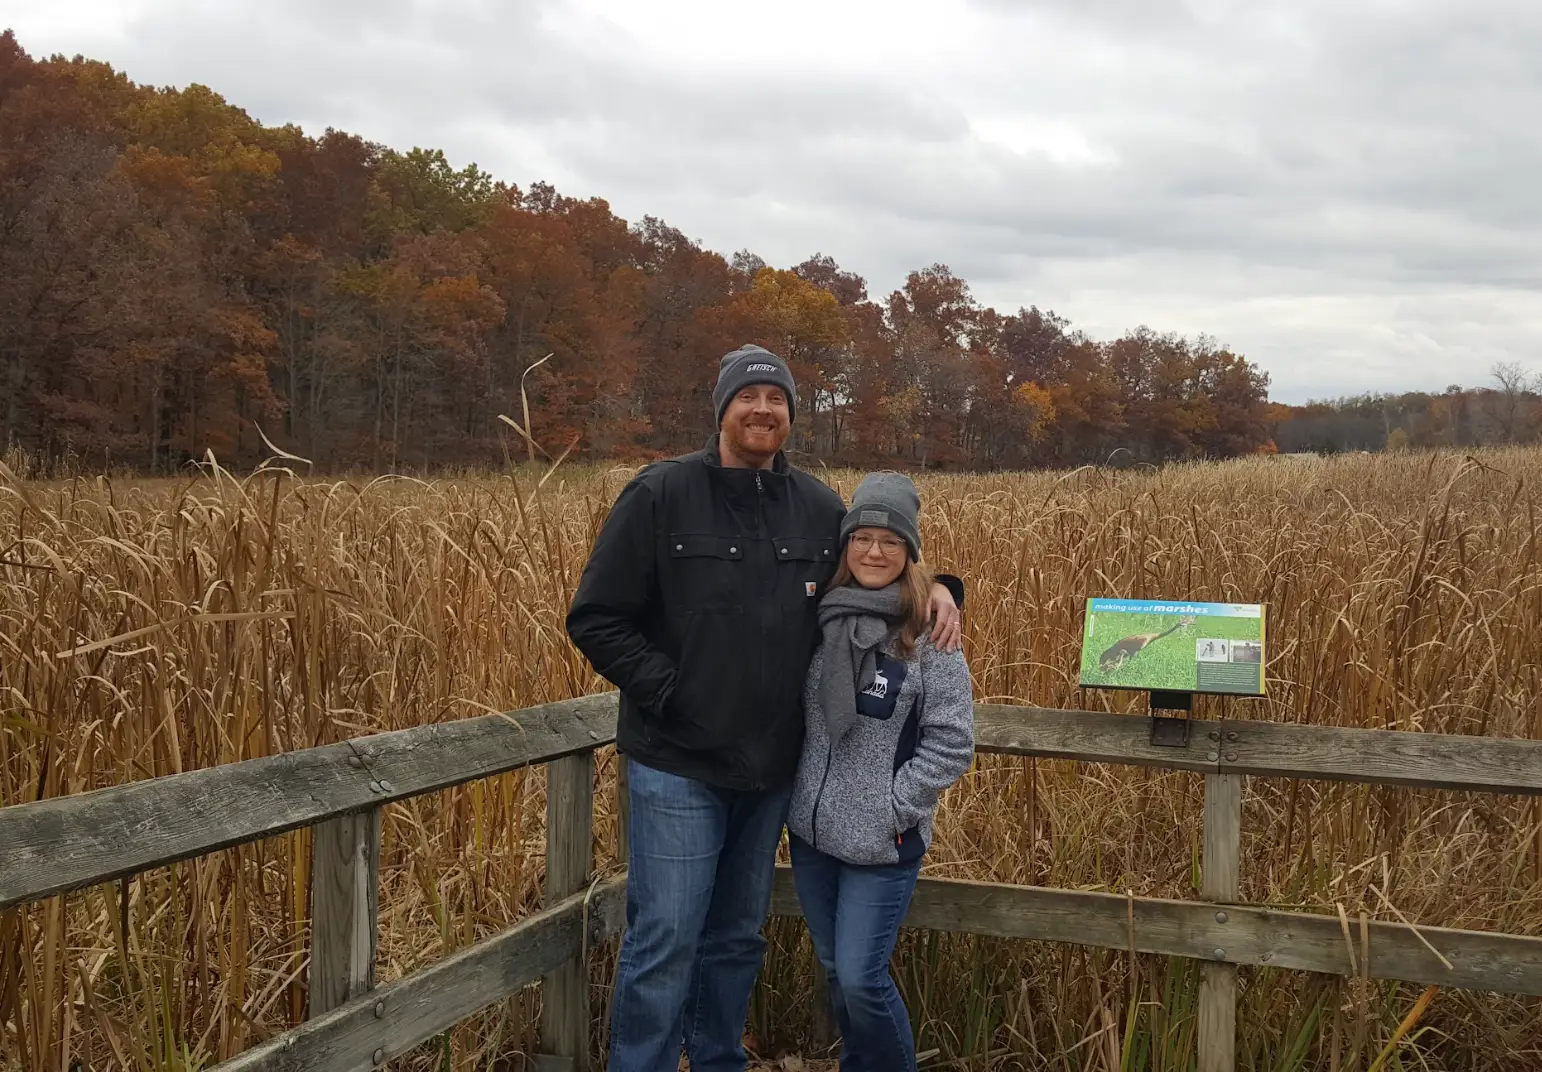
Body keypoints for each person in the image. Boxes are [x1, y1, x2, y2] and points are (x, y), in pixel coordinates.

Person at [565, 345, 963, 1072]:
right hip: (678, 761)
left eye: (776, 399)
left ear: (789, 414)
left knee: (737, 937)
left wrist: (943, 591)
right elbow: (596, 619)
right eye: (747, 397)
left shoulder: (815, 508)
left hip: (771, 770)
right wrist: (673, 693)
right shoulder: (660, 495)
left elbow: (877, 565)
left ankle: (719, 1060)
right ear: (722, 408)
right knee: (666, 938)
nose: (762, 410)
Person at [786, 472, 975, 1072]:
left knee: (863, 979)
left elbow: (952, 742)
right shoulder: (820, 618)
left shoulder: (929, 632)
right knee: (838, 971)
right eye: (862, 537)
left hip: (882, 841)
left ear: (909, 551)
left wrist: (892, 806)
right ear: (844, 545)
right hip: (813, 836)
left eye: (891, 541)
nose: (875, 551)